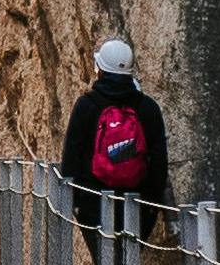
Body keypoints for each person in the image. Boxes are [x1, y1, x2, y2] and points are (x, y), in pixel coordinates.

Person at [58, 37, 171, 215]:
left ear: (100, 70)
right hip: (138, 205)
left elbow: (72, 155)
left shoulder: (87, 105)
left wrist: (72, 200)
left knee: (100, 235)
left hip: (93, 202)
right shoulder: (148, 107)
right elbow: (159, 160)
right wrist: (153, 202)